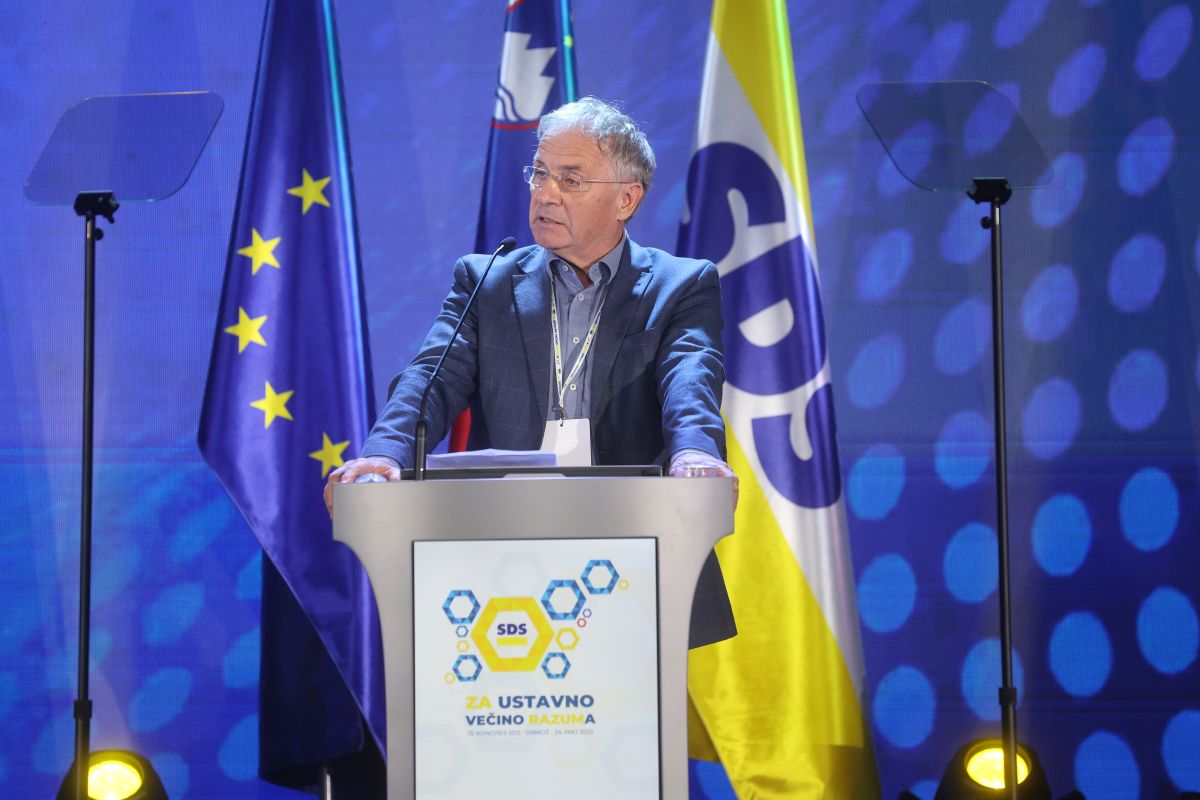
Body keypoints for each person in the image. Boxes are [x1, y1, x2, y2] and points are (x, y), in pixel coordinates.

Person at [325, 97, 736, 646]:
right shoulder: (487, 281)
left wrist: (695, 454)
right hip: (503, 555)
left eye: (571, 179)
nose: (545, 193)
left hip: (635, 548)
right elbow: (430, 378)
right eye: (539, 173)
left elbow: (691, 377)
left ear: (626, 199)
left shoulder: (679, 286)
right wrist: (384, 453)